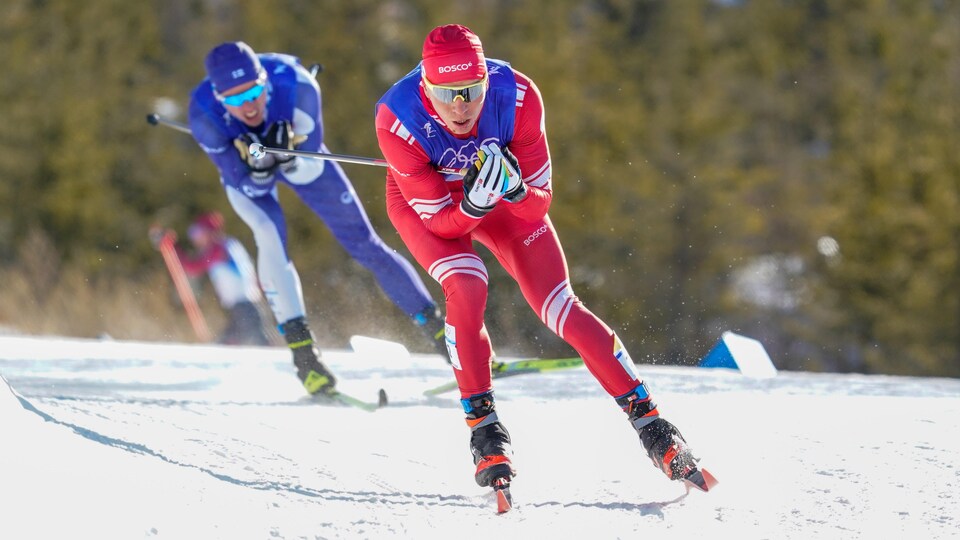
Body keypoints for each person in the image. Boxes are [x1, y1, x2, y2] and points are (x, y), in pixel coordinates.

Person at [375, 24, 704, 489]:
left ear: (486, 81)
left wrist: (510, 188)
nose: (461, 106)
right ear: (426, 88)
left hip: (503, 198)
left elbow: (538, 204)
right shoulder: (396, 118)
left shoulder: (518, 97)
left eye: (471, 91)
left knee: (560, 306)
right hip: (437, 207)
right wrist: (471, 205)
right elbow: (440, 225)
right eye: (447, 94)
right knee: (467, 285)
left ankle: (653, 425)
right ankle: (485, 430)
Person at [188, 41, 446, 396]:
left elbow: (309, 165)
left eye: (254, 92)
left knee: (365, 243)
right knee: (267, 233)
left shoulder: (298, 85)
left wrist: (287, 157)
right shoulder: (203, 113)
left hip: (305, 164)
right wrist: (258, 171)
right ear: (220, 99)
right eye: (234, 100)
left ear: (265, 81)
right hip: (250, 178)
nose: (248, 105)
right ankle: (306, 360)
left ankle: (443, 336)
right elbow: (240, 182)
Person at [164, 212, 274, 346]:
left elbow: (192, 267)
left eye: (197, 233)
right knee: (233, 345)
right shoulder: (230, 244)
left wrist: (172, 247)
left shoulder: (217, 249)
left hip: (244, 308)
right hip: (247, 307)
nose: (195, 239)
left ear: (209, 232)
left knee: (245, 346)